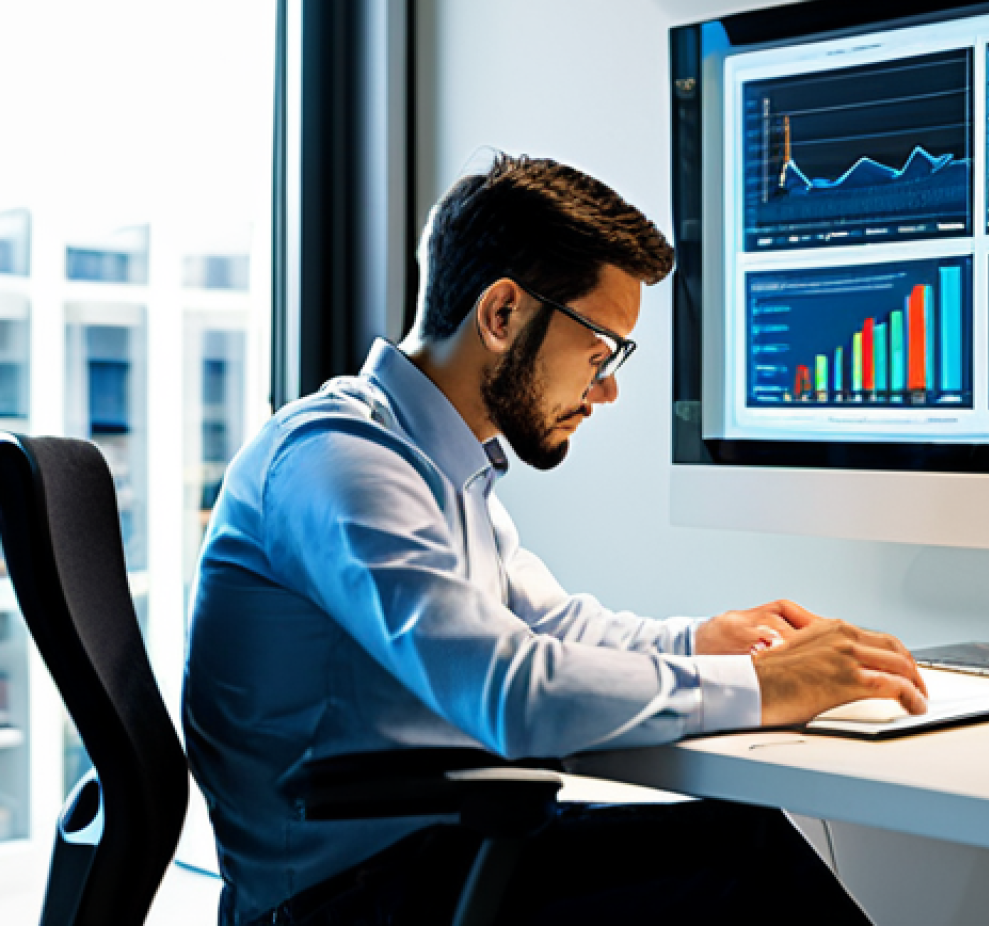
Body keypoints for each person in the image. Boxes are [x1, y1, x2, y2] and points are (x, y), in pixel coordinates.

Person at [184, 153, 927, 926]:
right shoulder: (339, 462)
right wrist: (771, 687)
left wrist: (708, 641)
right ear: (502, 314)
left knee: (745, 844)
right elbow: (511, 691)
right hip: (345, 900)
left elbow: (555, 627)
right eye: (600, 350)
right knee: (743, 868)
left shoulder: (442, 465)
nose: (606, 389)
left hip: (432, 856)